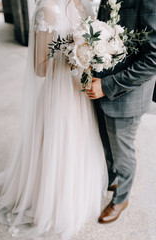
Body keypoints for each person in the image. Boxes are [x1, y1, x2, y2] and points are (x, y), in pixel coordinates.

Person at [0, 0, 108, 239]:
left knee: (80, 142)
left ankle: (76, 194)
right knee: (58, 146)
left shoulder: (85, 6)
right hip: (58, 96)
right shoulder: (48, 9)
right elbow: (39, 68)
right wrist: (72, 57)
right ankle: (52, 202)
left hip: (81, 92)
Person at [85, 0, 156, 223]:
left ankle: (121, 198)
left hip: (126, 93)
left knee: (123, 151)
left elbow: (153, 59)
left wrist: (107, 86)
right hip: (99, 85)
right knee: (107, 143)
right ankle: (112, 179)